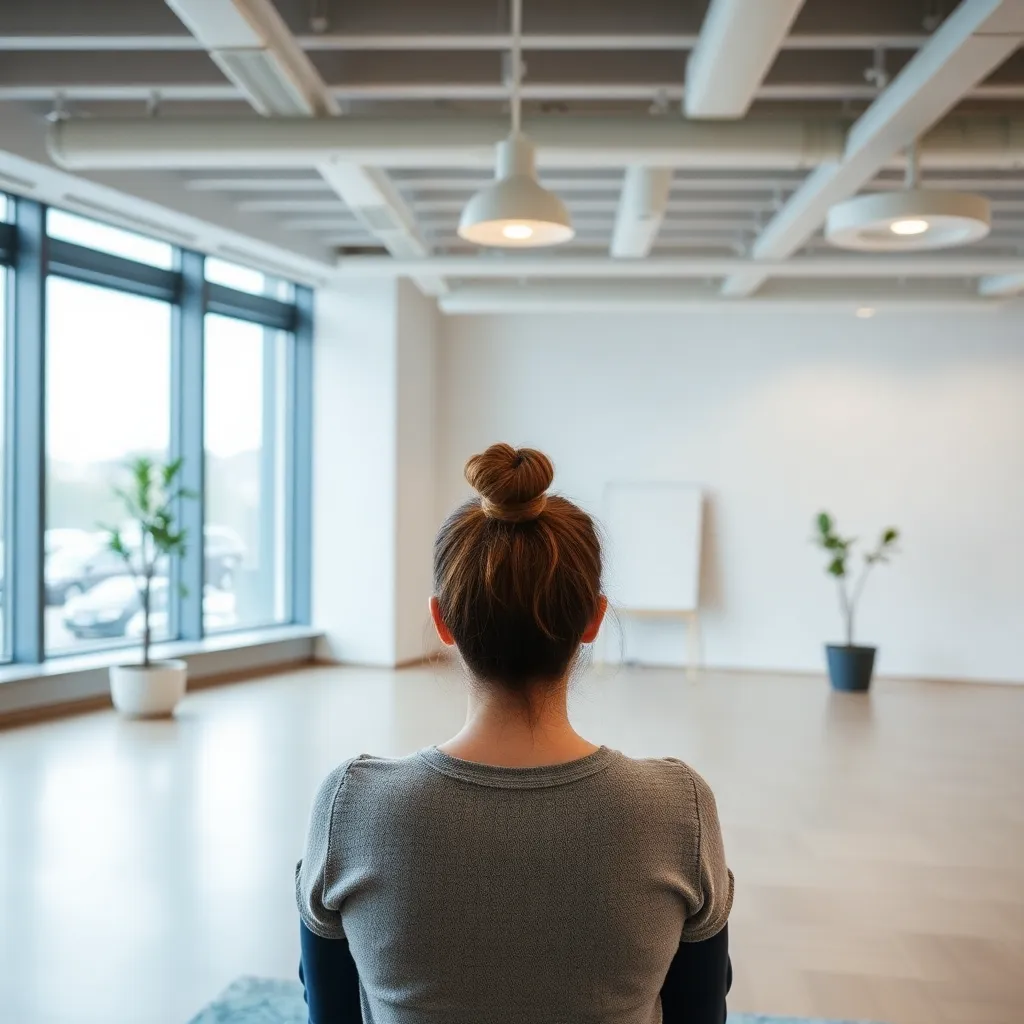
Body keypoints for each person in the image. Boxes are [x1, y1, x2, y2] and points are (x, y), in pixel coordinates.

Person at [296, 443, 734, 1024]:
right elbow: (701, 1014)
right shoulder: (676, 808)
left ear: (442, 622)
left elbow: (327, 1012)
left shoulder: (352, 805)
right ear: (594, 620)